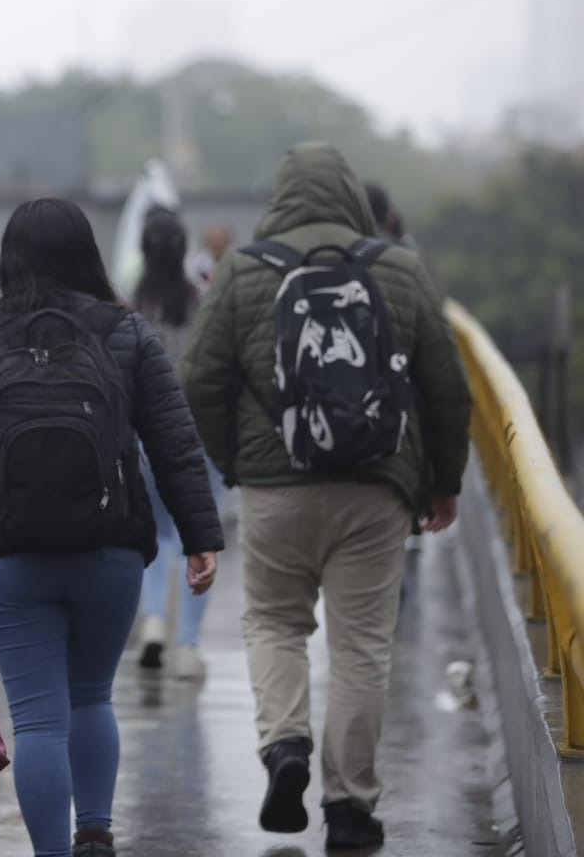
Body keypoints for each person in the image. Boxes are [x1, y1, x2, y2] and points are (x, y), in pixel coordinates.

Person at [180, 143, 471, 850]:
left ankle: (285, 744)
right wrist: (443, 481)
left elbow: (197, 378)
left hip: (275, 487)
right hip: (377, 486)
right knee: (362, 643)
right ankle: (350, 807)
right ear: (351, 197)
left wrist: (236, 461)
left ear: (280, 197)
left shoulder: (243, 270)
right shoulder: (398, 268)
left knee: (274, 622)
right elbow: (448, 387)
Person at [0, 197, 222, 857]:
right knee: (91, 697)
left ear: (9, 258)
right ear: (88, 255)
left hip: (6, 554)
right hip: (108, 549)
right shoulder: (127, 333)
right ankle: (95, 832)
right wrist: (200, 536)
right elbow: (174, 442)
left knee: (36, 719)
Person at [131, 207, 225, 680]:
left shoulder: (130, 310)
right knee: (198, 538)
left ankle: (152, 620)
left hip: (144, 437)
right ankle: (187, 645)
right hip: (197, 436)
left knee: (155, 534)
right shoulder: (202, 302)